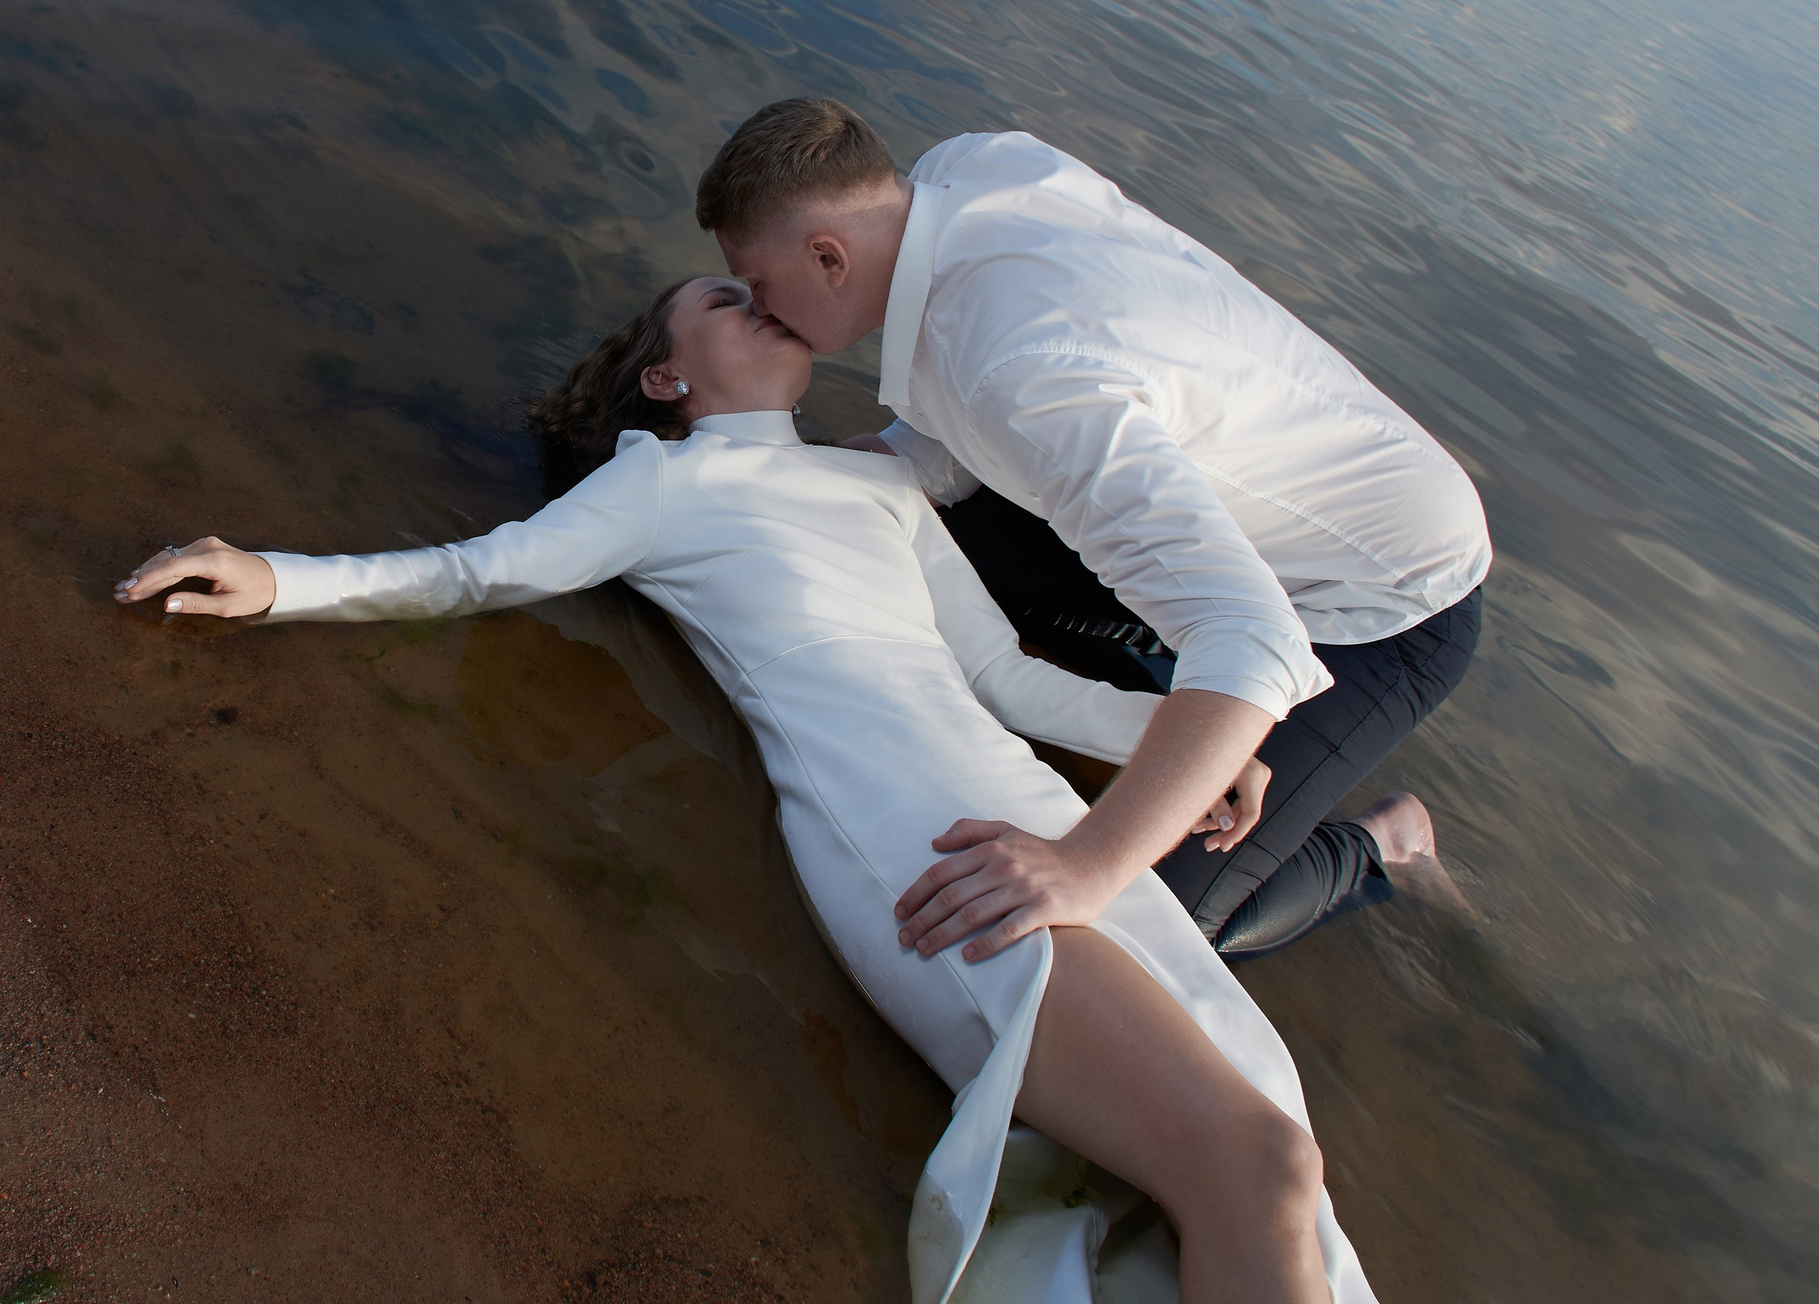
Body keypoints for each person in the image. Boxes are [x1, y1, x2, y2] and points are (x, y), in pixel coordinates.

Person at [118, 277, 1374, 1304]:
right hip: (920, 839)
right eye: (722, 298)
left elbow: (1005, 678)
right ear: (669, 379)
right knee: (1254, 1163)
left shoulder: (879, 484)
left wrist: (1184, 734)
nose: (758, 298)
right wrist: (274, 575)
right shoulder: (662, 485)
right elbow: (472, 571)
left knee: (1274, 1185)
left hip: (1056, 824)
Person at [700, 99, 1490, 962]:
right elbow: (978, 417)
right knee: (912, 554)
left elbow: (1253, 635)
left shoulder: (1021, 373)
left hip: (1386, 601)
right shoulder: (971, 165)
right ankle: (1180, 700)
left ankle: (1380, 844)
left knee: (1155, 933)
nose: (761, 312)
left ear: (829, 255)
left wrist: (1085, 865)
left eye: (764, 288)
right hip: (1223, 497)